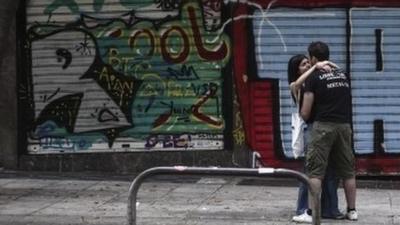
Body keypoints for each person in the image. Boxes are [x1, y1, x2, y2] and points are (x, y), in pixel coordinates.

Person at [297, 41, 358, 223]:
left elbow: (306, 111)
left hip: (323, 126)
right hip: (344, 126)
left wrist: (302, 115)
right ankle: (352, 211)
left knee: (315, 172)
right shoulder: (343, 74)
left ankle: (312, 212)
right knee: (348, 171)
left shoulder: (313, 78)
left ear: (314, 58)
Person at [287, 55, 344, 222]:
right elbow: (297, 84)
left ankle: (329, 208)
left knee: (328, 171)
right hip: (309, 131)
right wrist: (315, 67)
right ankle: (303, 208)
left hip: (321, 129)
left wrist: (329, 65)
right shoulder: (296, 85)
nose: (307, 66)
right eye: (303, 65)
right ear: (296, 69)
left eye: (308, 63)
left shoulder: (314, 81)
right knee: (309, 172)